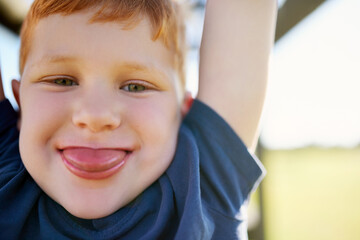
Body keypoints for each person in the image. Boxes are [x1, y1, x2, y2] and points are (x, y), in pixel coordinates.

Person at [0, 0, 277, 239]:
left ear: (182, 112)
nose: (95, 116)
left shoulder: (204, 180)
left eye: (135, 87)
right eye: (62, 81)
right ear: (20, 102)